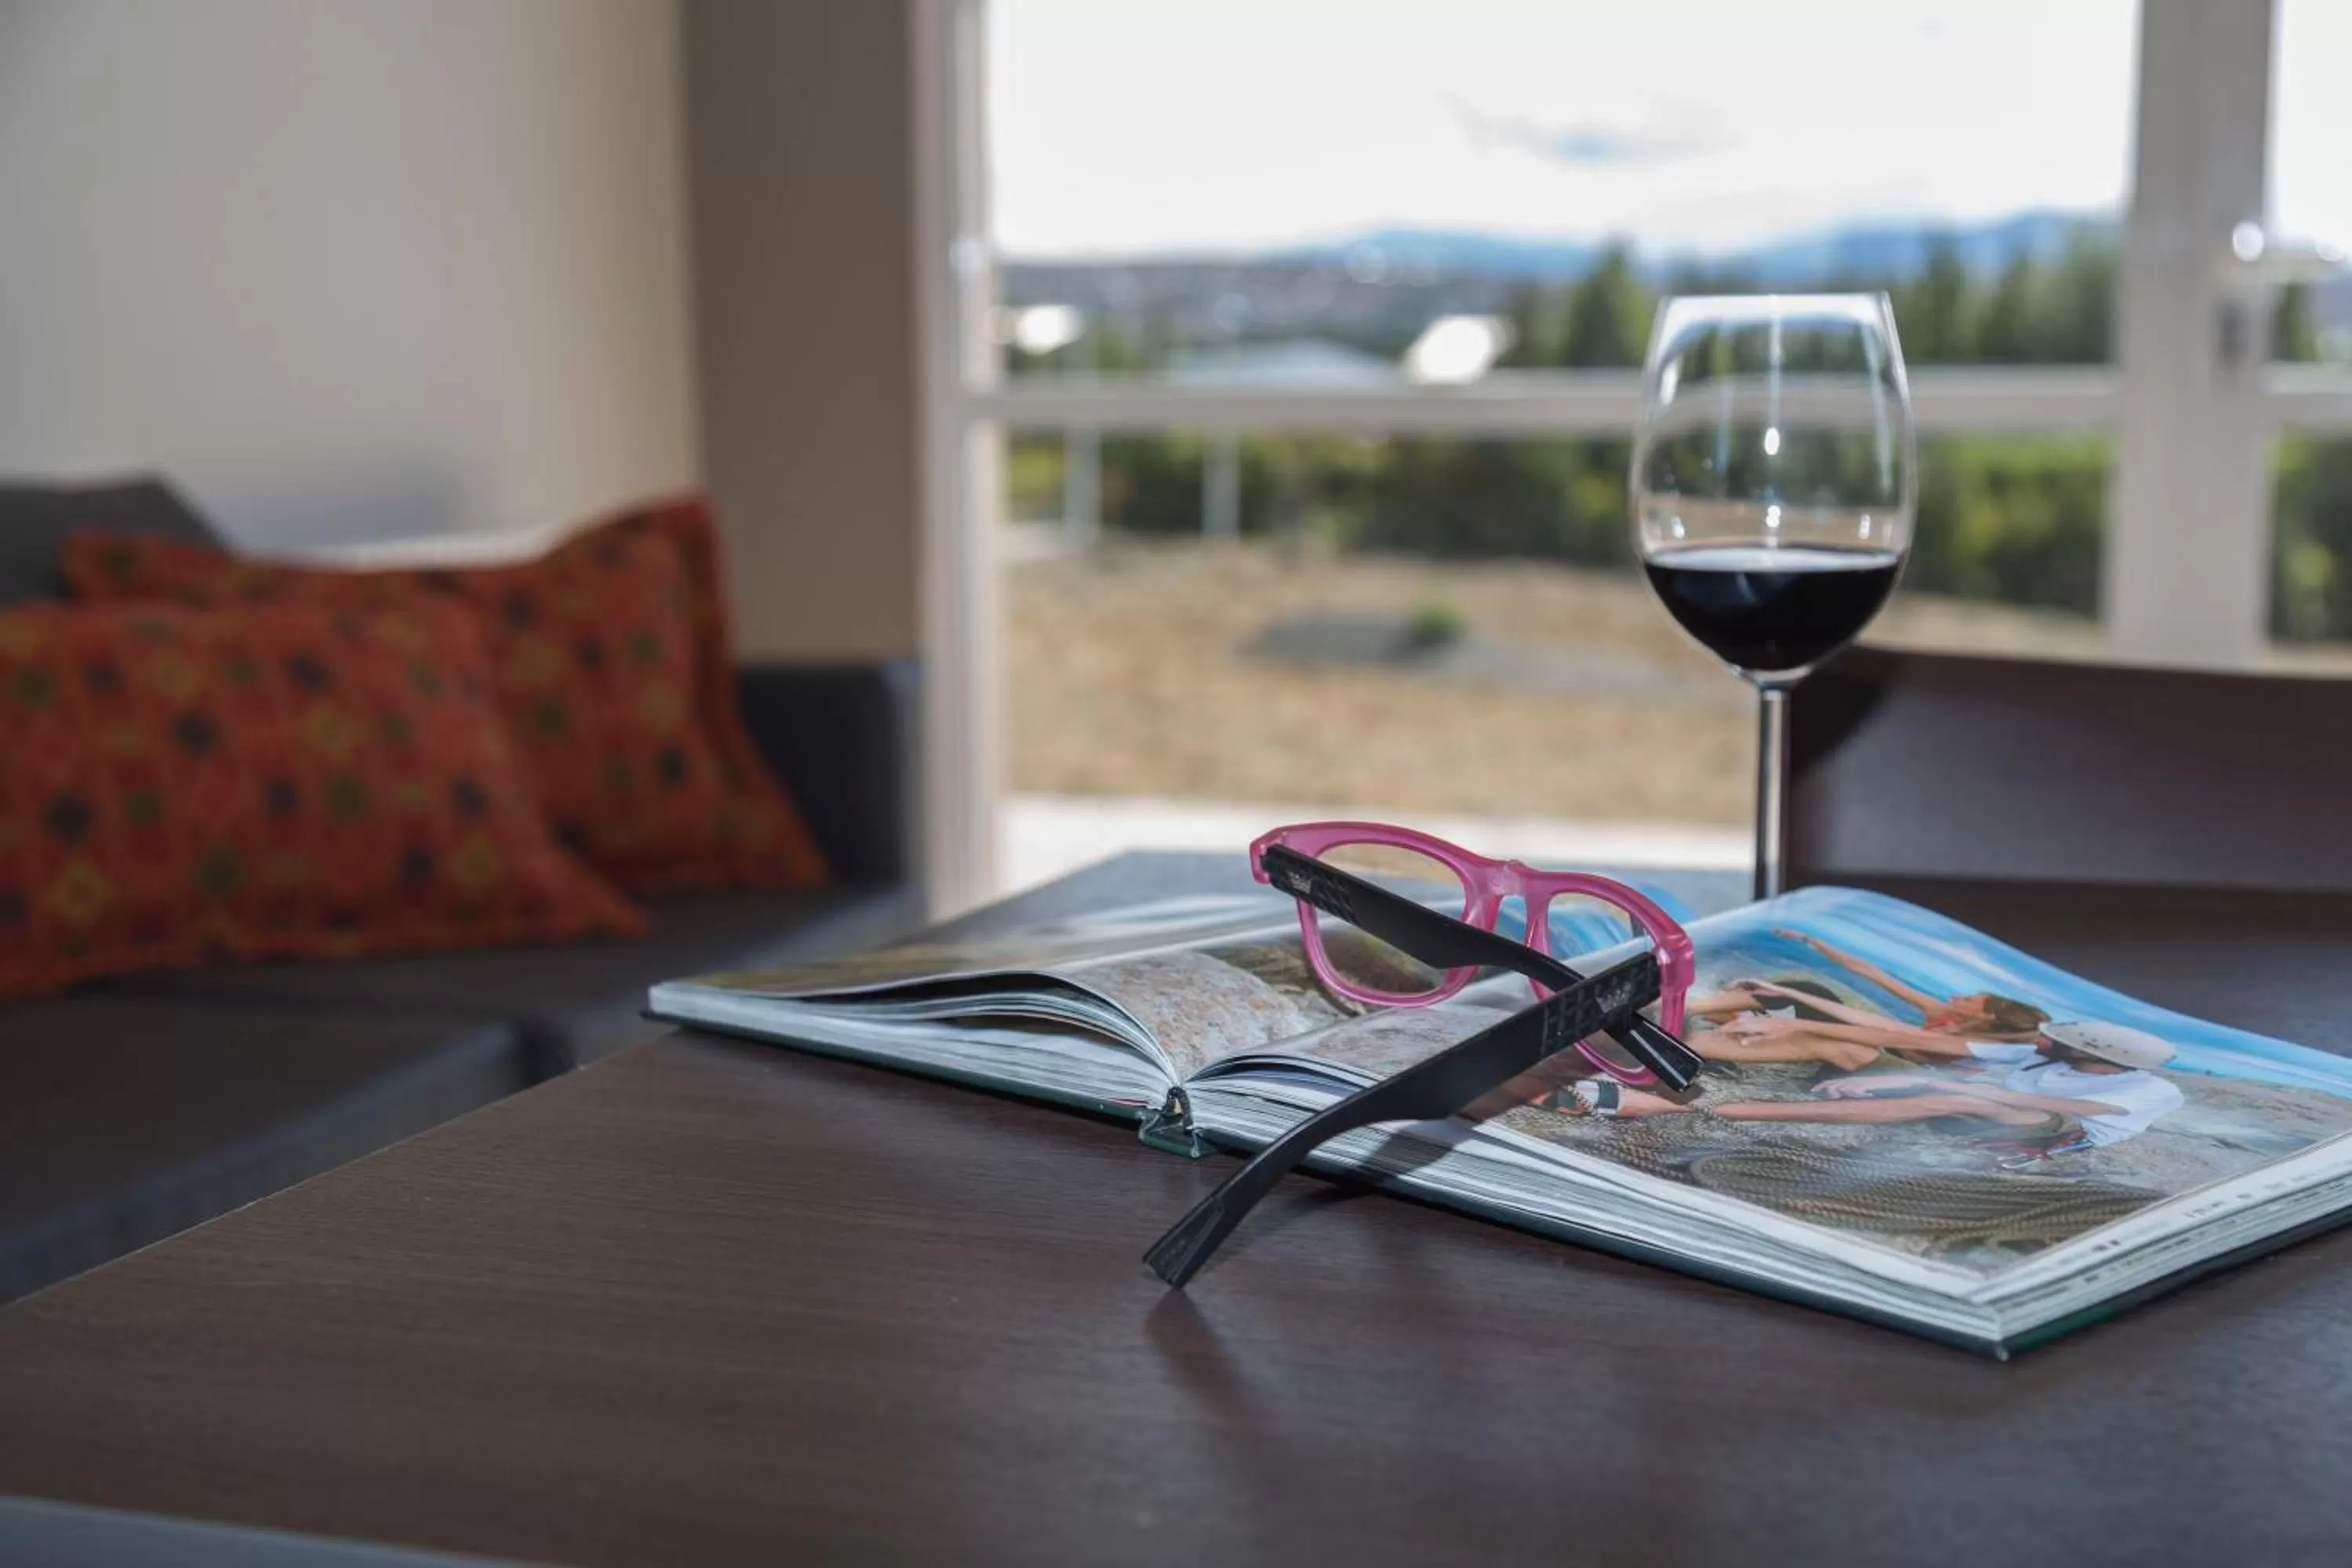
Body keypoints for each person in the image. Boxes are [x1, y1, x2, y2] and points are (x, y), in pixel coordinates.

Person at [1562, 1020, 2187, 1160]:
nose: (2041, 1038)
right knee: (1956, 1089)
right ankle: (1638, 1045)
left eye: (2056, 1039)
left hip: (2044, 1128)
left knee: (1969, 1099)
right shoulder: (2034, 1049)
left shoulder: (2153, 1093)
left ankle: (1662, 1106)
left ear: (2096, 1056)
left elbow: (2051, 1106)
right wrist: (1797, 1022)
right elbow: (1907, 1035)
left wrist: (1912, 1080)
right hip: (1979, 1099)